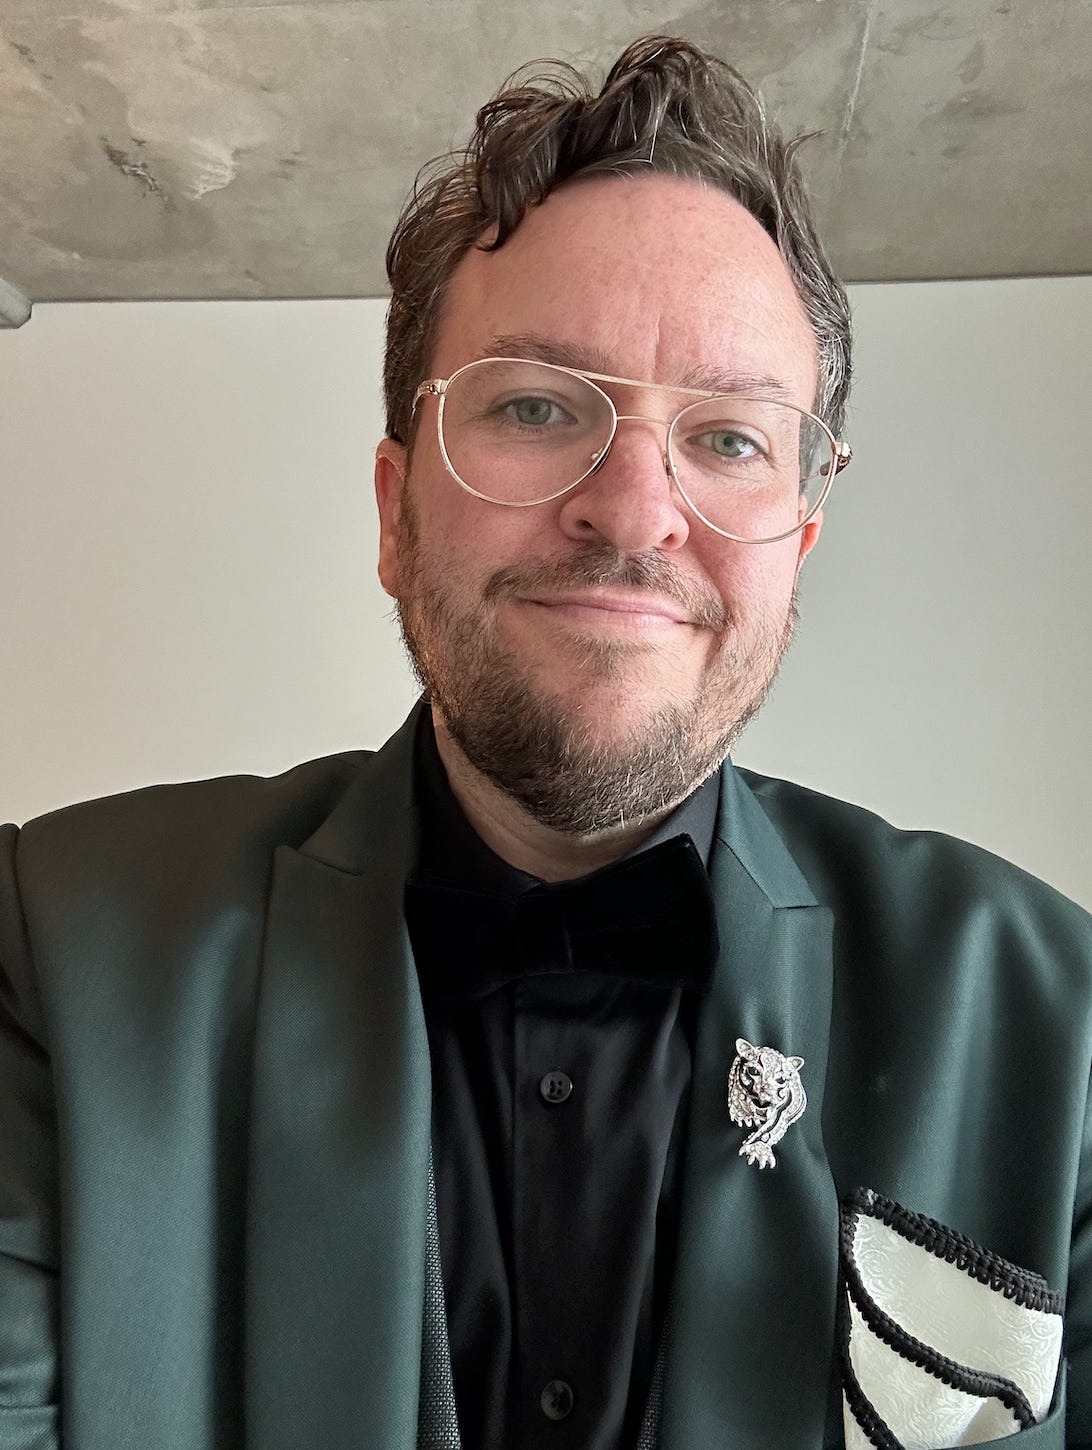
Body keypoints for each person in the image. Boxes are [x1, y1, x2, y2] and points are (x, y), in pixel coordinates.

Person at [1, 33, 1090, 1450]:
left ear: (799, 547)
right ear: (394, 517)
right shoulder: (52, 948)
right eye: (534, 405)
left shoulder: (1061, 1021)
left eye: (731, 438)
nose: (633, 509)